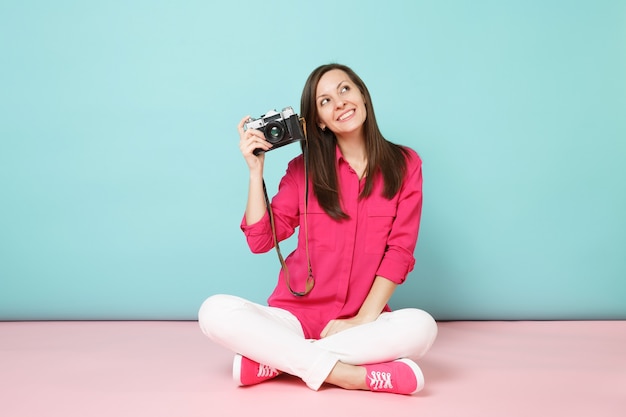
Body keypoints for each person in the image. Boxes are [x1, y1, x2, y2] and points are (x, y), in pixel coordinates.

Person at [198, 63, 437, 395]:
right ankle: (353, 376)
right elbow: (261, 240)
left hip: (360, 323)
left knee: (422, 328)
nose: (339, 103)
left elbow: (400, 251)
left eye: (344, 90)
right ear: (319, 121)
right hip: (293, 320)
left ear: (362, 96)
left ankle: (277, 361)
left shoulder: (406, 164)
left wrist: (363, 320)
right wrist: (255, 173)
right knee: (214, 311)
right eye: (324, 101)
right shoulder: (302, 171)